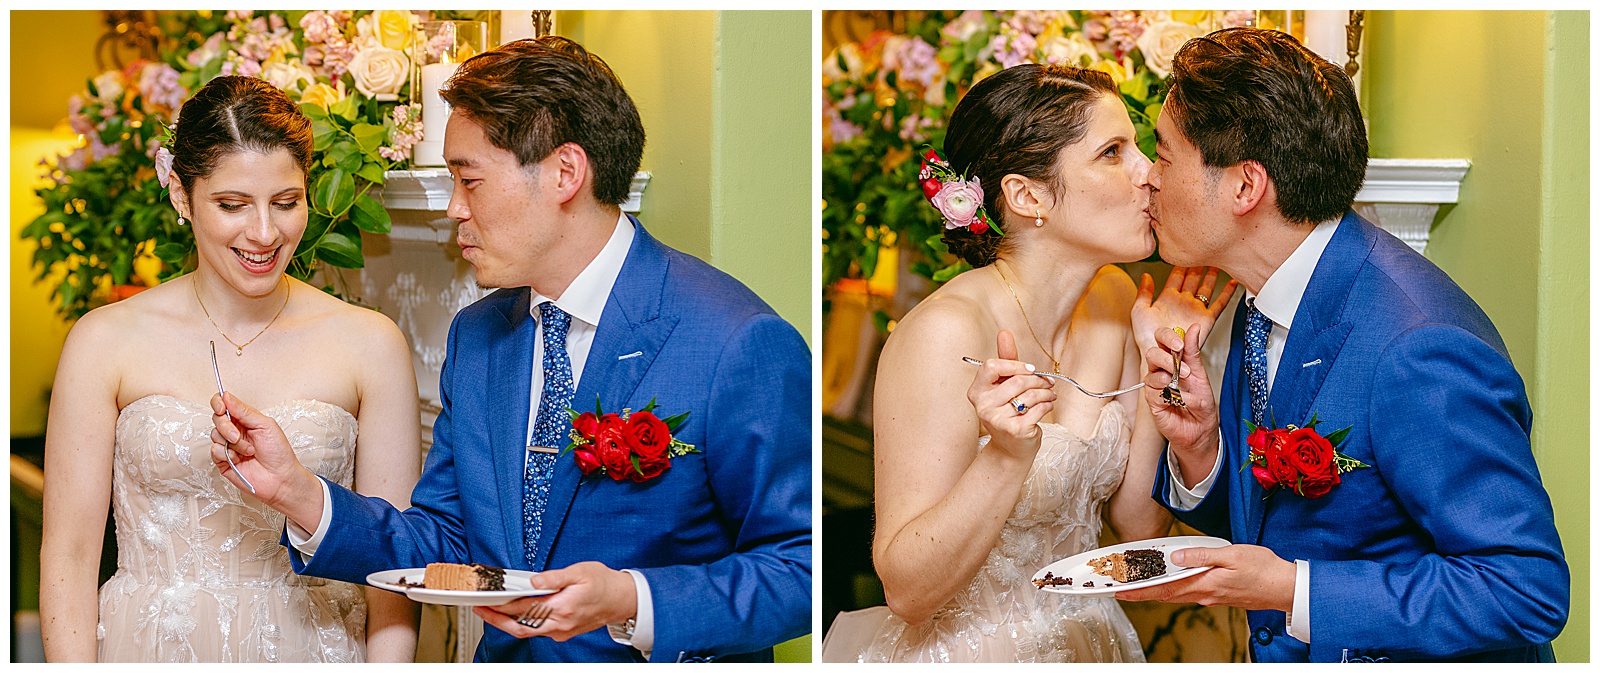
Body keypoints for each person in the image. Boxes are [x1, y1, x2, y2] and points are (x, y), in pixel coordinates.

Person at [205, 37, 812, 663]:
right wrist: (298, 493)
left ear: (565, 173)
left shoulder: (734, 340)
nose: (452, 210)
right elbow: (444, 541)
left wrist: (634, 600)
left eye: (469, 180)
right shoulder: (480, 336)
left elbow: (806, 569)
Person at [1119, 27, 1569, 663]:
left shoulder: (1418, 346)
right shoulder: (1267, 290)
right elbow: (1297, 523)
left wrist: (1293, 590)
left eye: (1163, 157)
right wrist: (1199, 450)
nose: (1148, 180)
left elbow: (1524, 591)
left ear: (1246, 186)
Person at [820, 63, 1237, 663]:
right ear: (1027, 195)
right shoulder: (944, 334)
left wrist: (1163, 365)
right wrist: (1007, 456)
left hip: (1091, 643)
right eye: (1114, 152)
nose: (1150, 174)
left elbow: (1140, 529)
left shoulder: (1117, 297)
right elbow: (908, 592)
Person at [39, 76, 421, 662]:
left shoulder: (371, 344)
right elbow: (68, 556)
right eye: (232, 205)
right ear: (181, 196)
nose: (265, 233)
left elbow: (392, 572)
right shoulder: (104, 341)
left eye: (286, 203)